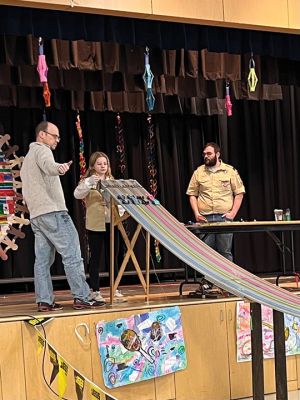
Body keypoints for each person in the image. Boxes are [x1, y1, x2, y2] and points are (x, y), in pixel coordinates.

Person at [20, 121, 106, 311]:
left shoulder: (27, 159)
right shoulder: (42, 150)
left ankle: (44, 300)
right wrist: (59, 168)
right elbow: (49, 166)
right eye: (54, 136)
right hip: (53, 212)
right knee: (73, 254)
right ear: (42, 135)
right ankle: (82, 297)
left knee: (42, 261)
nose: (57, 140)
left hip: (37, 216)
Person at [74, 151, 126, 303]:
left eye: (105, 163)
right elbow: (77, 194)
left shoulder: (112, 180)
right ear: (93, 165)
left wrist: (121, 213)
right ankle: (95, 290)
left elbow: (119, 200)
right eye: (99, 164)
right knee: (95, 258)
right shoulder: (87, 181)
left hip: (112, 222)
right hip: (95, 224)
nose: (103, 166)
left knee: (113, 257)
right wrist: (89, 182)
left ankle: (114, 288)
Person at [186, 142, 245, 261]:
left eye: (209, 153)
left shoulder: (229, 171)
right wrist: (197, 214)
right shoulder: (199, 172)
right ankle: (208, 279)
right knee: (206, 252)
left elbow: (239, 193)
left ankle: (227, 279)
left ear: (217, 154)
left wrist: (232, 214)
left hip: (224, 218)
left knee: (225, 251)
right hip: (205, 219)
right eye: (204, 154)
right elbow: (192, 194)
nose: (206, 156)